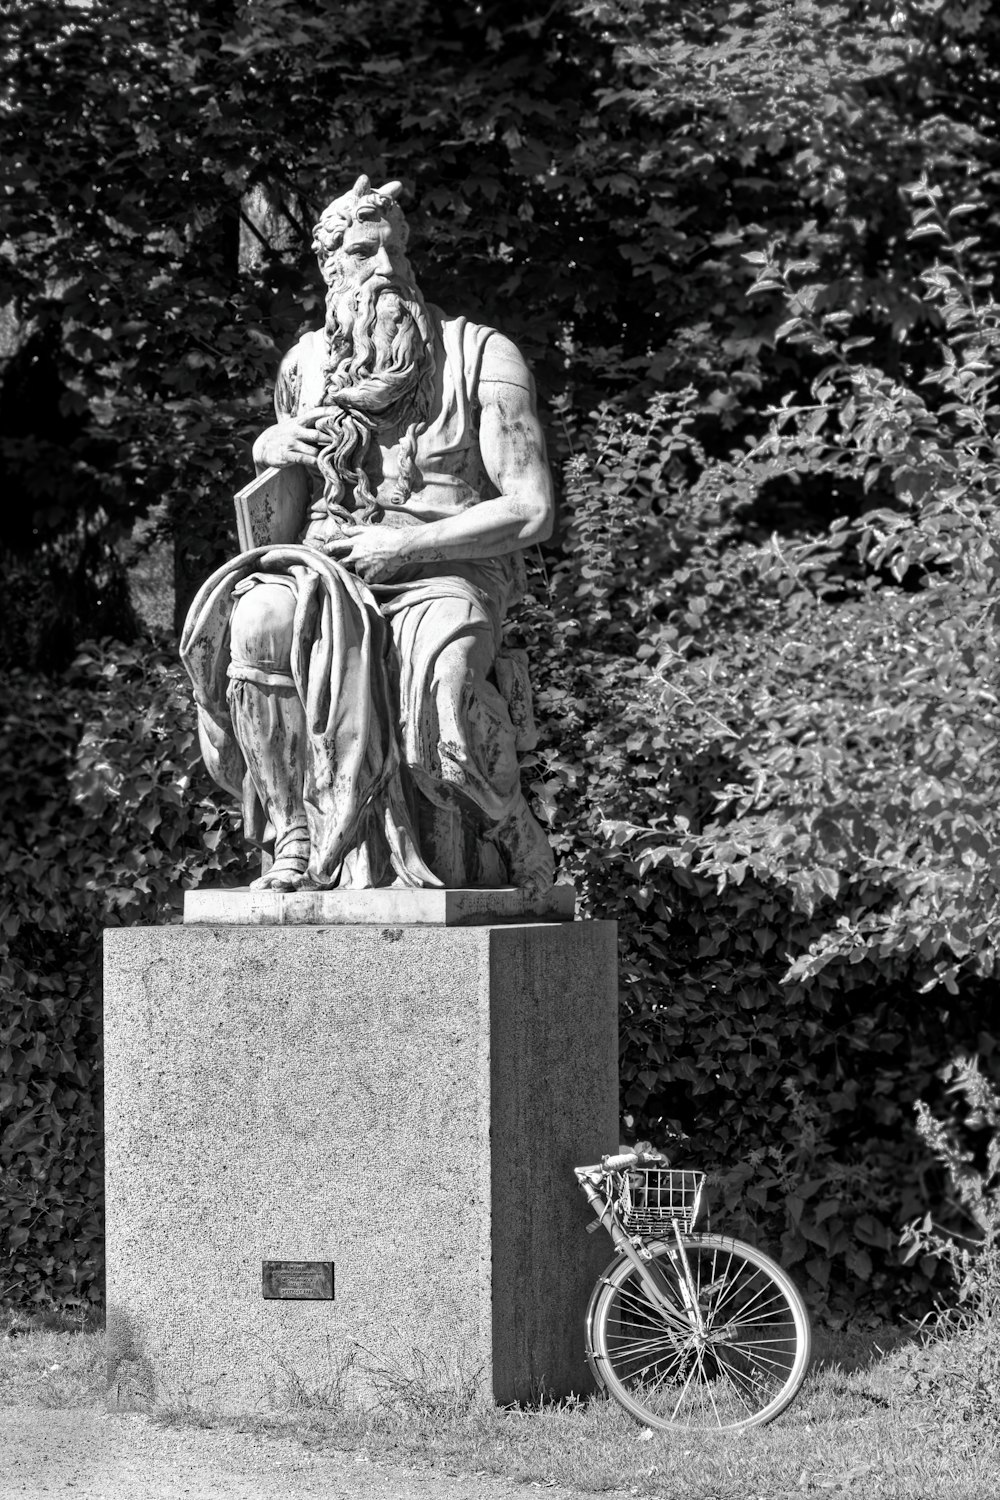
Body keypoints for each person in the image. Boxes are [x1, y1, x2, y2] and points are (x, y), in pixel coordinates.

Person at [180, 175, 555, 895]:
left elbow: (531, 509)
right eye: (362, 253)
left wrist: (405, 546)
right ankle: (295, 831)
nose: (383, 269)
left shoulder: (481, 355)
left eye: (393, 252)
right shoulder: (306, 365)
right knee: (255, 619)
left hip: (447, 571)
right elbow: (281, 497)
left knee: (439, 709)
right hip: (327, 567)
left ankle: (511, 828)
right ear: (330, 268)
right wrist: (271, 447)